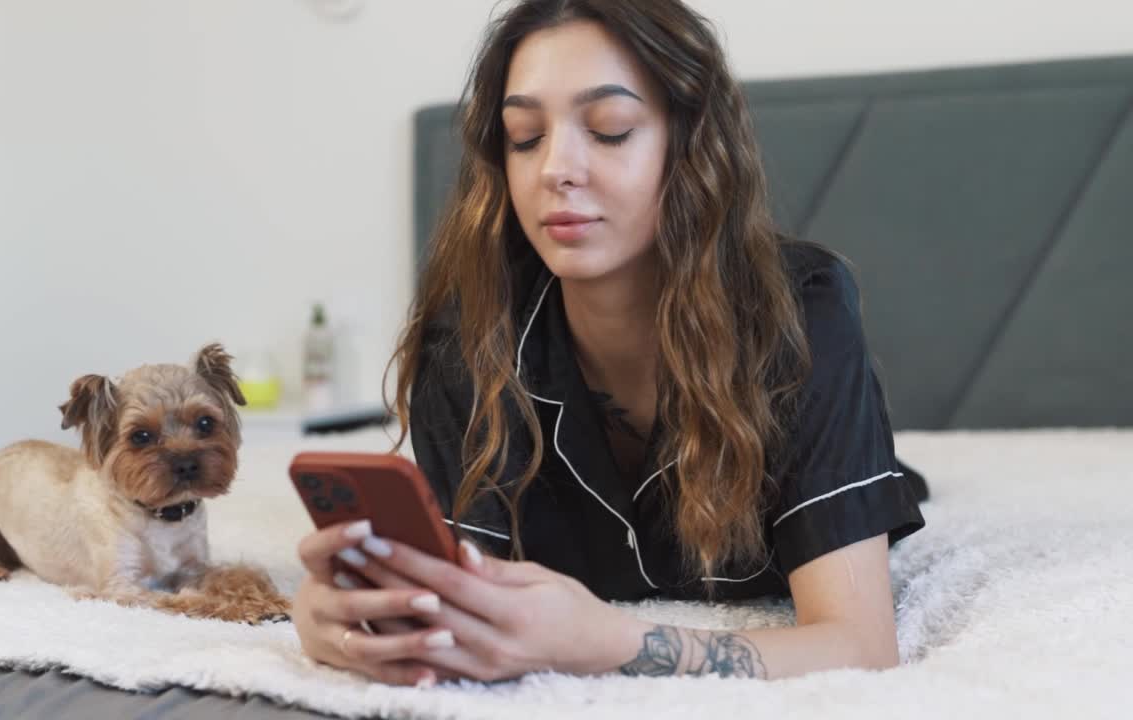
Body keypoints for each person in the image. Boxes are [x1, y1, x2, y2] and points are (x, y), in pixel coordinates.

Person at [291, 0, 928, 686]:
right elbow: (462, 590)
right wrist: (339, 613)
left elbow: (861, 645)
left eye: (611, 130)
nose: (555, 169)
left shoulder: (801, 309)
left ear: (690, 146)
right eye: (525, 137)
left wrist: (608, 641)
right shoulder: (464, 345)